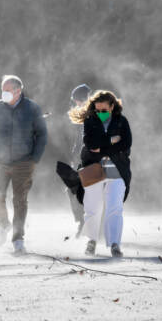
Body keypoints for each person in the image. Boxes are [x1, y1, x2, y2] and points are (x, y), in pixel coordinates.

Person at [0, 75, 47, 255]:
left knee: (20, 200)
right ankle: (3, 225)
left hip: (23, 162)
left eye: (7, 90)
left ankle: (18, 238)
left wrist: (35, 158)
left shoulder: (32, 108)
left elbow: (42, 134)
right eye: (2, 90)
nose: (3, 93)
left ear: (18, 91)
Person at [67, 90, 132, 258]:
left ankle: (115, 244)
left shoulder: (122, 122)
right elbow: (90, 144)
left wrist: (102, 147)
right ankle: (91, 241)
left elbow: (125, 144)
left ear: (112, 106)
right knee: (91, 208)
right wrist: (110, 141)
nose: (100, 113)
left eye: (104, 110)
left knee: (114, 208)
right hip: (93, 170)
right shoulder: (90, 122)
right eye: (97, 110)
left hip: (117, 171)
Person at [66, 84, 92, 238]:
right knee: (72, 190)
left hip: (93, 159)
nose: (76, 104)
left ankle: (87, 223)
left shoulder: (99, 111)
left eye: (77, 101)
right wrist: (74, 155)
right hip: (80, 159)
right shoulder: (81, 115)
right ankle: (82, 221)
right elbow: (78, 139)